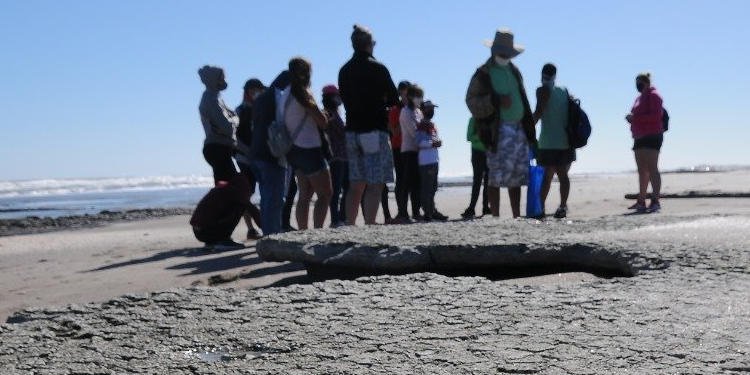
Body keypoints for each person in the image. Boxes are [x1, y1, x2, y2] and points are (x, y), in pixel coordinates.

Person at [465, 28, 536, 218]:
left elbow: (524, 98)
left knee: (517, 177)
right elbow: (471, 101)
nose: (505, 55)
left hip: (518, 128)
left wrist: (529, 129)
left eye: (508, 51)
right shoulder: (483, 73)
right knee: (495, 176)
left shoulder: (515, 71)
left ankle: (516, 216)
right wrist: (495, 101)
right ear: (493, 50)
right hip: (497, 130)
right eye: (502, 51)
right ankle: (495, 216)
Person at [338, 24, 399, 225]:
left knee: (355, 184)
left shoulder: (344, 70)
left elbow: (345, 98)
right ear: (368, 45)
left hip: (353, 131)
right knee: (375, 184)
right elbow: (393, 98)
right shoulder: (378, 68)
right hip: (374, 130)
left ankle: (350, 225)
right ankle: (370, 227)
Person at [284, 57, 331, 230]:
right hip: (309, 148)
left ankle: (302, 231)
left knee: (304, 194)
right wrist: (325, 115)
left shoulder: (285, 94)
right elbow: (322, 122)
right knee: (325, 193)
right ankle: (317, 231)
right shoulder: (302, 93)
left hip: (293, 150)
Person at [248, 71, 291, 235]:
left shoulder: (260, 99)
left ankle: (268, 234)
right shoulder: (278, 96)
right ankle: (272, 237)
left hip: (256, 154)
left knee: (266, 198)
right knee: (274, 199)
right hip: (271, 154)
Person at [532, 63, 574, 219]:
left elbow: (538, 112)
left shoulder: (541, 90)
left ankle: (541, 208)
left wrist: (526, 129)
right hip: (564, 141)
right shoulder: (563, 91)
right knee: (563, 175)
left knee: (546, 178)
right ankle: (562, 206)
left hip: (548, 142)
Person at [626, 72, 664, 213]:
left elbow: (655, 116)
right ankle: (641, 200)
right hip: (639, 136)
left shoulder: (655, 96)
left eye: (640, 82)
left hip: (652, 135)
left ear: (647, 82)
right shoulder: (638, 98)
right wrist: (632, 120)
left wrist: (636, 118)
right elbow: (636, 115)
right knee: (642, 170)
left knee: (652, 168)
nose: (638, 85)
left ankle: (655, 200)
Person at [198, 65, 239, 186]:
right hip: (217, 148)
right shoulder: (210, 99)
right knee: (228, 187)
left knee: (227, 186)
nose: (225, 81)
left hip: (221, 147)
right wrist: (235, 121)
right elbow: (227, 127)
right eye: (222, 78)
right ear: (214, 80)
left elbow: (232, 118)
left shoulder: (216, 97)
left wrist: (234, 120)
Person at [235, 78, 265, 239]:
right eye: (255, 90)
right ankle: (251, 228)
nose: (257, 93)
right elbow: (237, 137)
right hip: (245, 158)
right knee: (247, 192)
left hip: (259, 157)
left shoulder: (260, 108)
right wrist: (248, 152)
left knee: (264, 191)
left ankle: (262, 224)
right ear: (248, 91)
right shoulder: (240, 110)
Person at [190, 174, 249, 251]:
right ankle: (221, 240)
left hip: (198, 231)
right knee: (240, 207)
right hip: (206, 232)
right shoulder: (234, 192)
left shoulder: (222, 188)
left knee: (236, 207)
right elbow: (252, 209)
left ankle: (214, 241)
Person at [322, 84, 349, 227]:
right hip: (335, 156)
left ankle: (341, 217)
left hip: (343, 156)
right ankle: (336, 219)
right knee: (337, 188)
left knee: (345, 187)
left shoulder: (335, 113)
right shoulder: (329, 113)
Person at [416, 100, 448, 221]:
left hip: (434, 160)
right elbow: (418, 142)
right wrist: (432, 144)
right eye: (429, 109)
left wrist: (436, 143)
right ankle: (427, 213)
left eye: (433, 109)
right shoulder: (421, 125)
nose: (432, 111)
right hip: (425, 161)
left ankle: (432, 210)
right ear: (423, 110)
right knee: (426, 188)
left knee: (433, 188)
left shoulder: (432, 125)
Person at [399, 84, 424, 221]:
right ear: (410, 96)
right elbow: (414, 132)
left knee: (417, 184)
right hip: (408, 151)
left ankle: (416, 211)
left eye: (421, 96)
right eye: (417, 96)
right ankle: (403, 212)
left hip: (419, 151)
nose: (419, 99)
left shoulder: (418, 112)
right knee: (407, 183)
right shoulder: (405, 112)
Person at [390, 80, 413, 223]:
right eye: (404, 91)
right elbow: (394, 132)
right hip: (398, 147)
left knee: (411, 180)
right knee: (401, 180)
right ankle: (401, 211)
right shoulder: (395, 109)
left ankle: (414, 211)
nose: (406, 94)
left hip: (411, 147)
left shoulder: (414, 108)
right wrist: (404, 117)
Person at [461, 117, 491, 219]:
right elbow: (469, 137)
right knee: (477, 181)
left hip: (489, 152)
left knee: (488, 181)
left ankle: (486, 207)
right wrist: (482, 136)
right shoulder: (473, 119)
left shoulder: (490, 119)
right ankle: (472, 207)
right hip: (477, 152)